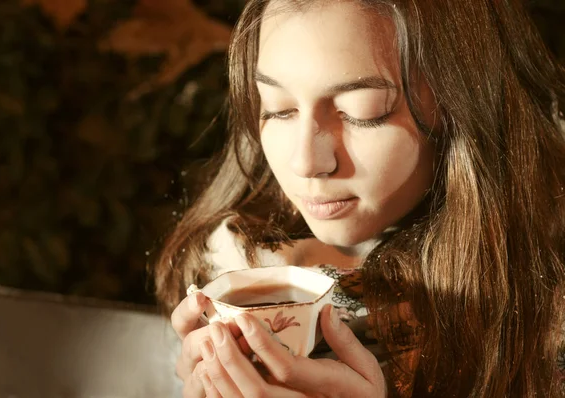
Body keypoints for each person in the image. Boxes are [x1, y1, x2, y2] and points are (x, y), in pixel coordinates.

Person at [154, 0, 565, 396]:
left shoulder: (545, 296)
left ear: (464, 106)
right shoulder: (225, 263)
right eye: (278, 109)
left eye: (361, 111)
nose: (306, 162)